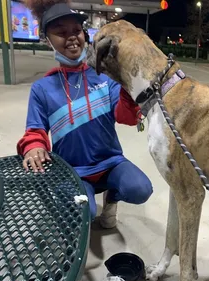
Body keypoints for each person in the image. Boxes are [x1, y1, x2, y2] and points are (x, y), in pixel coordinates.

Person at [17, 0, 153, 229]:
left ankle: (111, 198)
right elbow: (35, 130)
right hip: (73, 171)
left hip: (110, 163)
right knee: (84, 213)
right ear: (47, 40)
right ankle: (83, 203)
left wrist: (130, 92)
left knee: (140, 189)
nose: (71, 37)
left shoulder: (105, 76)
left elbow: (126, 117)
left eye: (76, 31)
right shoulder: (42, 88)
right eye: (61, 33)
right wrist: (33, 147)